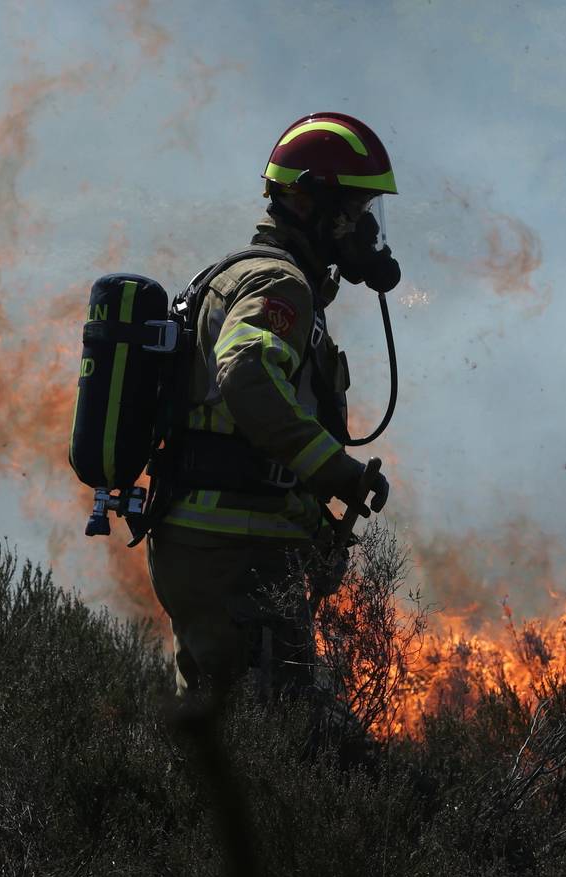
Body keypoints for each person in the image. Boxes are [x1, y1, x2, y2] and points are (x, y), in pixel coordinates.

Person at [147, 112, 399, 705]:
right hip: (234, 550)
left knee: (222, 733)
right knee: (272, 742)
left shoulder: (241, 276)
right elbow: (247, 374)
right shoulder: (278, 286)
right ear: (310, 204)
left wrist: (313, 530)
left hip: (217, 542)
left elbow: (247, 425)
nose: (364, 232)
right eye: (356, 213)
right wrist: (335, 470)